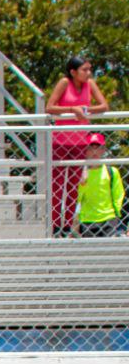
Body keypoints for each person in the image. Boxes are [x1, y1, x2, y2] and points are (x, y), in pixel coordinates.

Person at [45, 56, 109, 237]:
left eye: (89, 69)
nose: (88, 73)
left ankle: (67, 226)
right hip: (60, 141)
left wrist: (85, 110)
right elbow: (50, 107)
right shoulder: (64, 83)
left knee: (74, 186)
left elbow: (104, 105)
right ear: (73, 72)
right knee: (58, 186)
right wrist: (72, 110)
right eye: (84, 70)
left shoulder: (90, 84)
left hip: (80, 141)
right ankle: (55, 226)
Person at [76, 133, 125, 238]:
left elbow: (118, 194)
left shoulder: (111, 171)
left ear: (103, 150)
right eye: (91, 148)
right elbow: (77, 198)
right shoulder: (80, 173)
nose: (94, 152)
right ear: (86, 151)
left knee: (109, 246)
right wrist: (82, 183)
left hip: (108, 217)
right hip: (87, 219)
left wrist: (116, 213)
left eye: (98, 148)